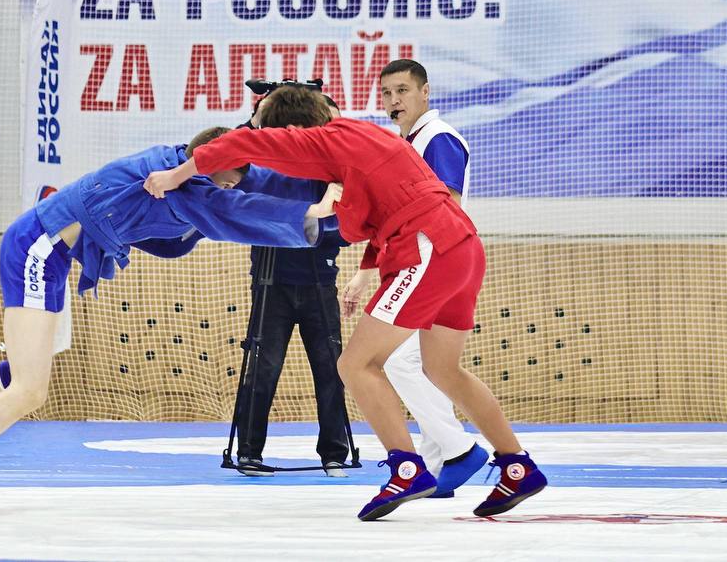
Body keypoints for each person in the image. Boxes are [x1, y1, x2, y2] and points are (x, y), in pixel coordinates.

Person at [144, 86, 547, 521]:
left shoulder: (324, 138)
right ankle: (516, 464)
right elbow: (363, 227)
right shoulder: (363, 142)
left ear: (293, 129)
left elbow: (236, 142)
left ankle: (407, 469)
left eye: (273, 134)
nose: (274, 149)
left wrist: (175, 175)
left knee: (354, 365)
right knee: (442, 368)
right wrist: (330, 210)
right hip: (460, 247)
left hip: (426, 247)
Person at [0, 126, 341, 518]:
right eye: (226, 178)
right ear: (205, 168)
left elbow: (250, 180)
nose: (232, 185)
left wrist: (319, 176)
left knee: (15, 374)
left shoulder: (183, 165)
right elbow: (239, 210)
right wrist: (321, 211)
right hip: (38, 248)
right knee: (29, 389)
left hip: (49, 251)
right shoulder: (183, 186)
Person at [340, 59, 487, 496]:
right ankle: (443, 462)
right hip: (421, 262)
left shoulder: (437, 139)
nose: (393, 101)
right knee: (417, 362)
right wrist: (366, 272)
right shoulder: (406, 143)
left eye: (402, 91)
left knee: (403, 362)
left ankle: (459, 451)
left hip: (434, 263)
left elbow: (444, 209)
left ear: (426, 92)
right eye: (386, 93)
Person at [233, 90, 350, 478]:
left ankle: (334, 452)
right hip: (271, 280)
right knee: (262, 366)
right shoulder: (266, 166)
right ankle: (249, 450)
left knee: (331, 367)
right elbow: (231, 164)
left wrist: (321, 220)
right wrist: (258, 116)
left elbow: (347, 226)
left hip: (320, 279)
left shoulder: (330, 166)